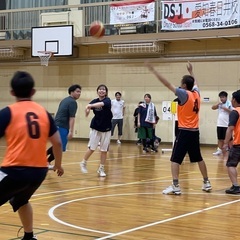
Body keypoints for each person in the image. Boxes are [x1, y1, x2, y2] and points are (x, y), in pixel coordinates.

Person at [0, 71, 64, 240]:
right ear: (33, 92)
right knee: (21, 200)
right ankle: (29, 237)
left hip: (14, 170)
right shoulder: (43, 113)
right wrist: (58, 164)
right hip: (39, 172)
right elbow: (57, 142)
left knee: (19, 198)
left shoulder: (7, 112)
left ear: (12, 93)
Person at [146, 61, 212, 195]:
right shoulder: (196, 94)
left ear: (183, 85)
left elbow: (167, 84)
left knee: (175, 159)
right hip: (195, 131)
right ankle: (206, 182)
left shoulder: (184, 94)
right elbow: (196, 84)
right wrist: (191, 71)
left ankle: (175, 185)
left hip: (184, 131)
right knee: (198, 158)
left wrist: (154, 71)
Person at [80, 84, 112, 177]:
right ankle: (83, 162)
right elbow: (87, 111)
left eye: (103, 89)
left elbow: (100, 104)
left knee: (104, 150)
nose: (102, 91)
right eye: (100, 89)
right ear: (97, 91)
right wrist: (87, 109)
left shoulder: (107, 100)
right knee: (92, 148)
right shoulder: (94, 101)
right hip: (96, 127)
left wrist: (90, 105)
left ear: (106, 92)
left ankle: (101, 168)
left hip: (106, 128)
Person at [46, 84, 81, 169]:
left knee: (57, 145)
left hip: (57, 125)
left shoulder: (65, 100)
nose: (79, 93)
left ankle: (43, 159)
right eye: (77, 91)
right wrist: (71, 131)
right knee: (60, 148)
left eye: (80, 92)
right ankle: (46, 161)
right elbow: (72, 117)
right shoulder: (73, 102)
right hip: (62, 126)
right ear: (71, 92)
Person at [223, 90, 240, 194]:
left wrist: (225, 142)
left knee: (231, 164)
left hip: (238, 143)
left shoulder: (235, 112)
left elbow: (230, 128)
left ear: (234, 100)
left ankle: (236, 186)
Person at [212, 91, 233, 156]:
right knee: (220, 138)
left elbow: (232, 112)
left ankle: (232, 150)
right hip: (219, 124)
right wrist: (217, 105)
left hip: (226, 124)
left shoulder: (229, 104)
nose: (222, 99)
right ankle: (219, 150)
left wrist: (226, 109)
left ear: (226, 97)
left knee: (229, 139)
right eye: (220, 97)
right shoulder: (220, 104)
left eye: (223, 97)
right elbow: (213, 108)